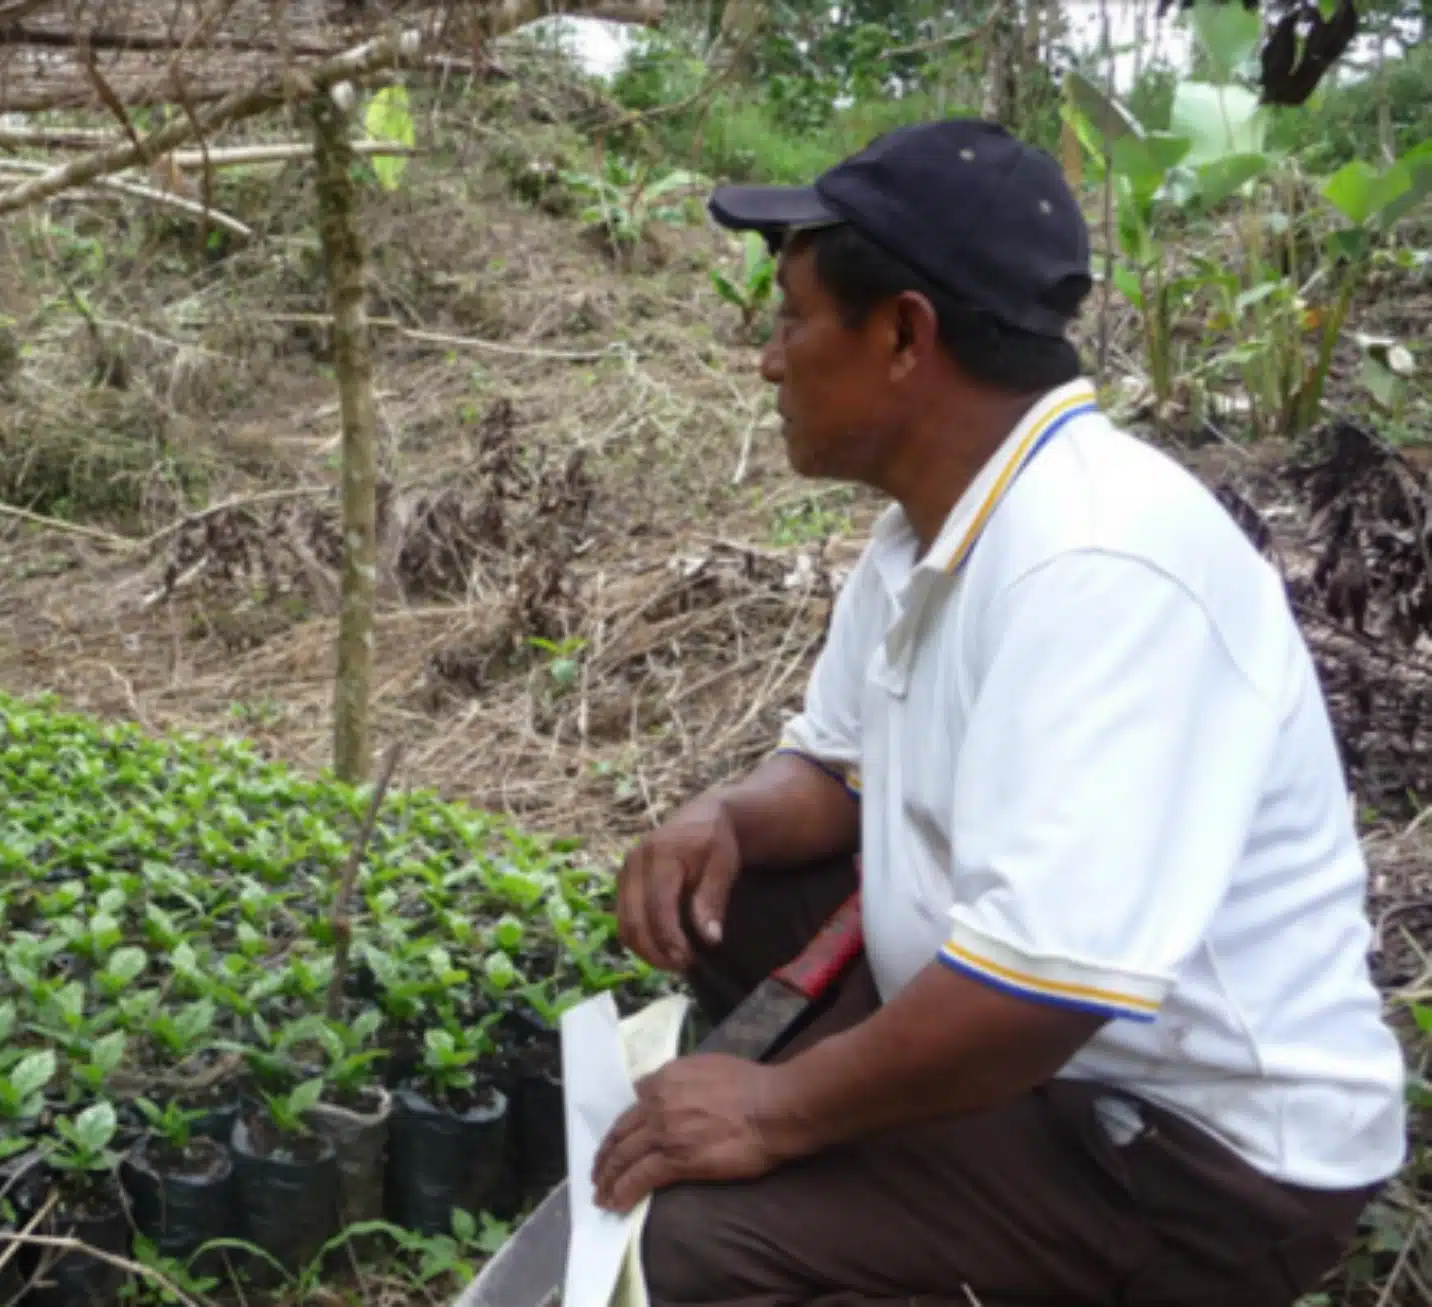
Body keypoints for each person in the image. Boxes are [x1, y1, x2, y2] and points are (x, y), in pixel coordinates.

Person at [590, 118, 1407, 1307]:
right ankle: (897, 1144)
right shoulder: (930, 523)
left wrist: (773, 1108)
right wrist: (725, 817)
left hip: (1191, 1152)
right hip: (1045, 1049)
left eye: (792, 319)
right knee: (737, 898)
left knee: (695, 1255)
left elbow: (1042, 992)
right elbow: (837, 768)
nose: (769, 361)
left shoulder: (1099, 563)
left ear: (905, 335)